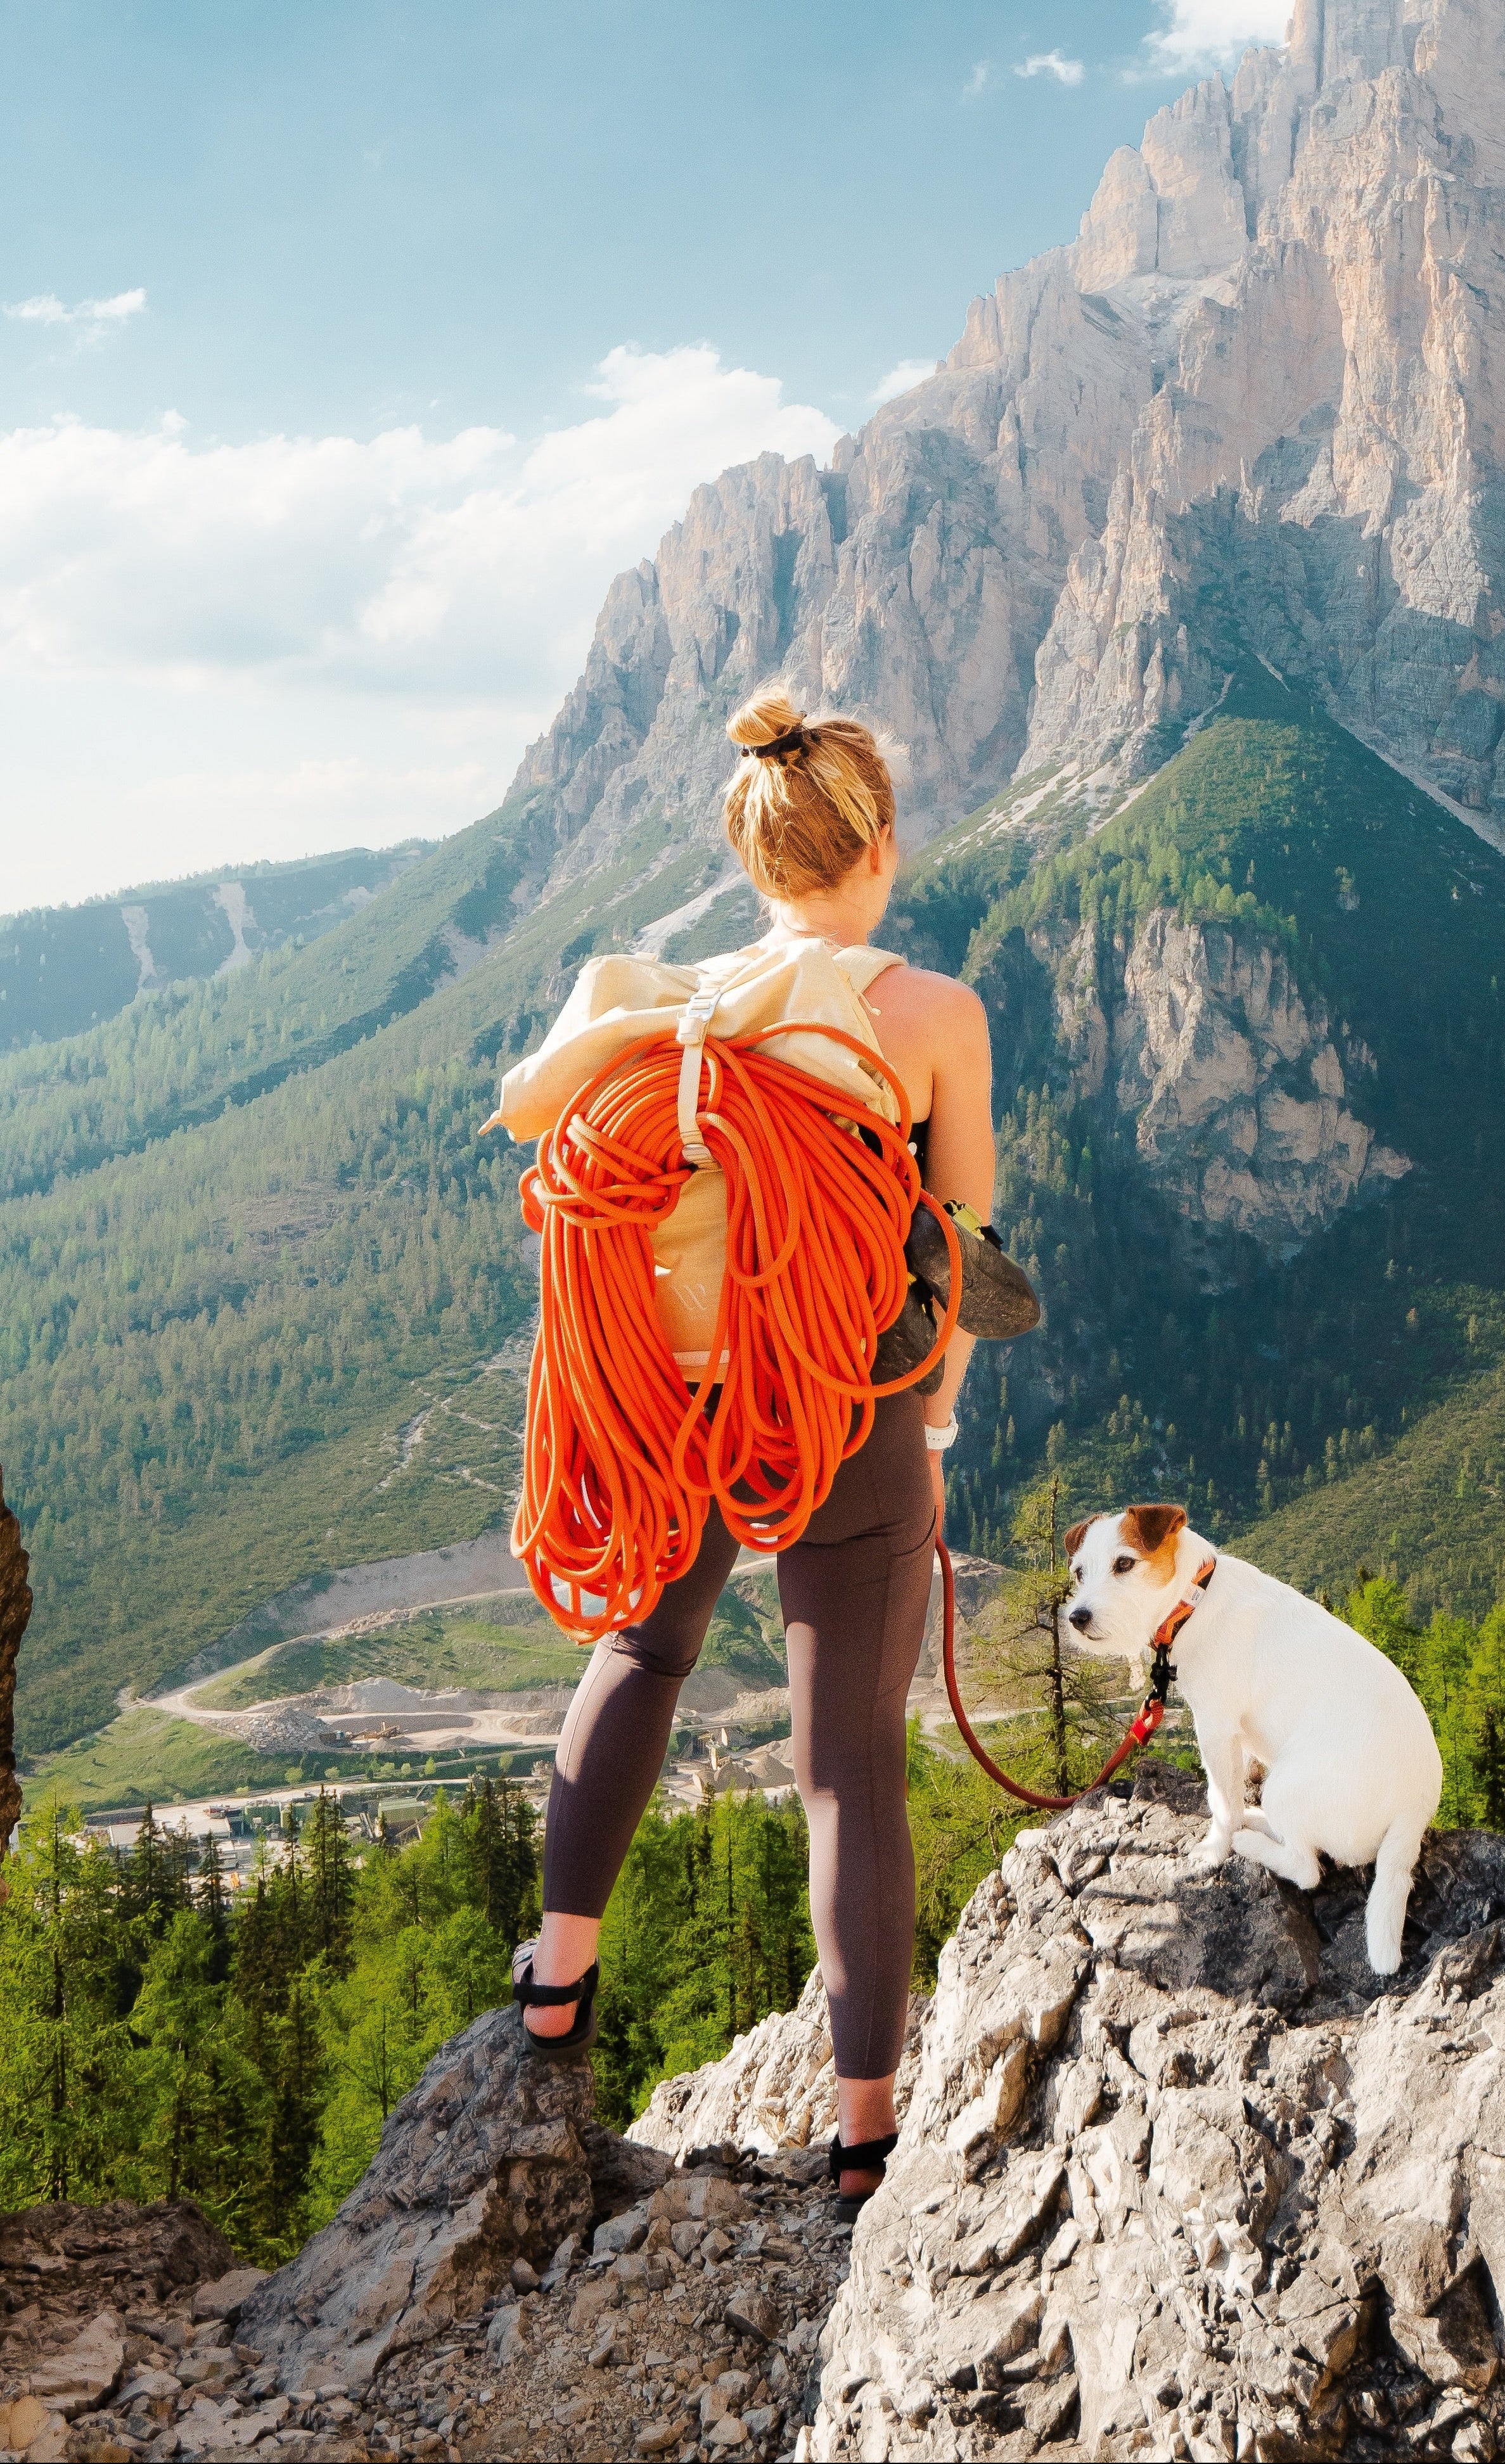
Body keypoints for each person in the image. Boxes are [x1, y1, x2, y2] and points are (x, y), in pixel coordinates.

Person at [512, 688, 994, 2213]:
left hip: (670, 1406)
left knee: (643, 1661)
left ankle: (556, 1978)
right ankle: (864, 2128)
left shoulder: (676, 1011)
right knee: (847, 1764)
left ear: (752, 856)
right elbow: (963, 1240)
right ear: (882, 841)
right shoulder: (926, 1013)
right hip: (836, 1411)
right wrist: (936, 1413)